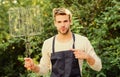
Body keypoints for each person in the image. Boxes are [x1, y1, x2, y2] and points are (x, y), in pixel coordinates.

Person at [24, 8, 102, 77]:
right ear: (55, 23)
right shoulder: (48, 43)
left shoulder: (82, 41)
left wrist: (88, 57)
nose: (62, 25)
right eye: (59, 22)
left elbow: (98, 67)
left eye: (65, 21)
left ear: (70, 21)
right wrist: (33, 67)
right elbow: (44, 70)